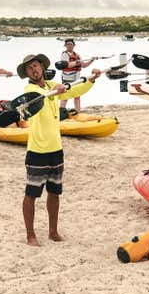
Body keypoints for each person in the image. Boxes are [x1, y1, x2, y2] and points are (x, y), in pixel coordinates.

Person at [17, 53, 101, 246]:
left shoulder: (50, 85)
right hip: (37, 151)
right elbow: (38, 100)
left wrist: (91, 80)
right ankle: (30, 235)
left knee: (54, 193)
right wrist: (55, 92)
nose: (34, 70)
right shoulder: (29, 90)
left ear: (42, 67)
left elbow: (72, 91)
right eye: (30, 68)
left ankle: (53, 232)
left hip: (56, 149)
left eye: (36, 66)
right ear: (27, 72)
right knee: (32, 194)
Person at [58, 38, 95, 113]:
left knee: (77, 96)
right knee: (65, 97)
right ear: (65, 45)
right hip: (67, 79)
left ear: (74, 45)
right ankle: (61, 112)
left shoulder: (77, 55)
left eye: (71, 44)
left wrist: (91, 60)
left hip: (77, 79)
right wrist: (76, 63)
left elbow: (84, 65)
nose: (69, 46)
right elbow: (68, 65)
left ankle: (78, 112)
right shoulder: (64, 55)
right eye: (68, 44)